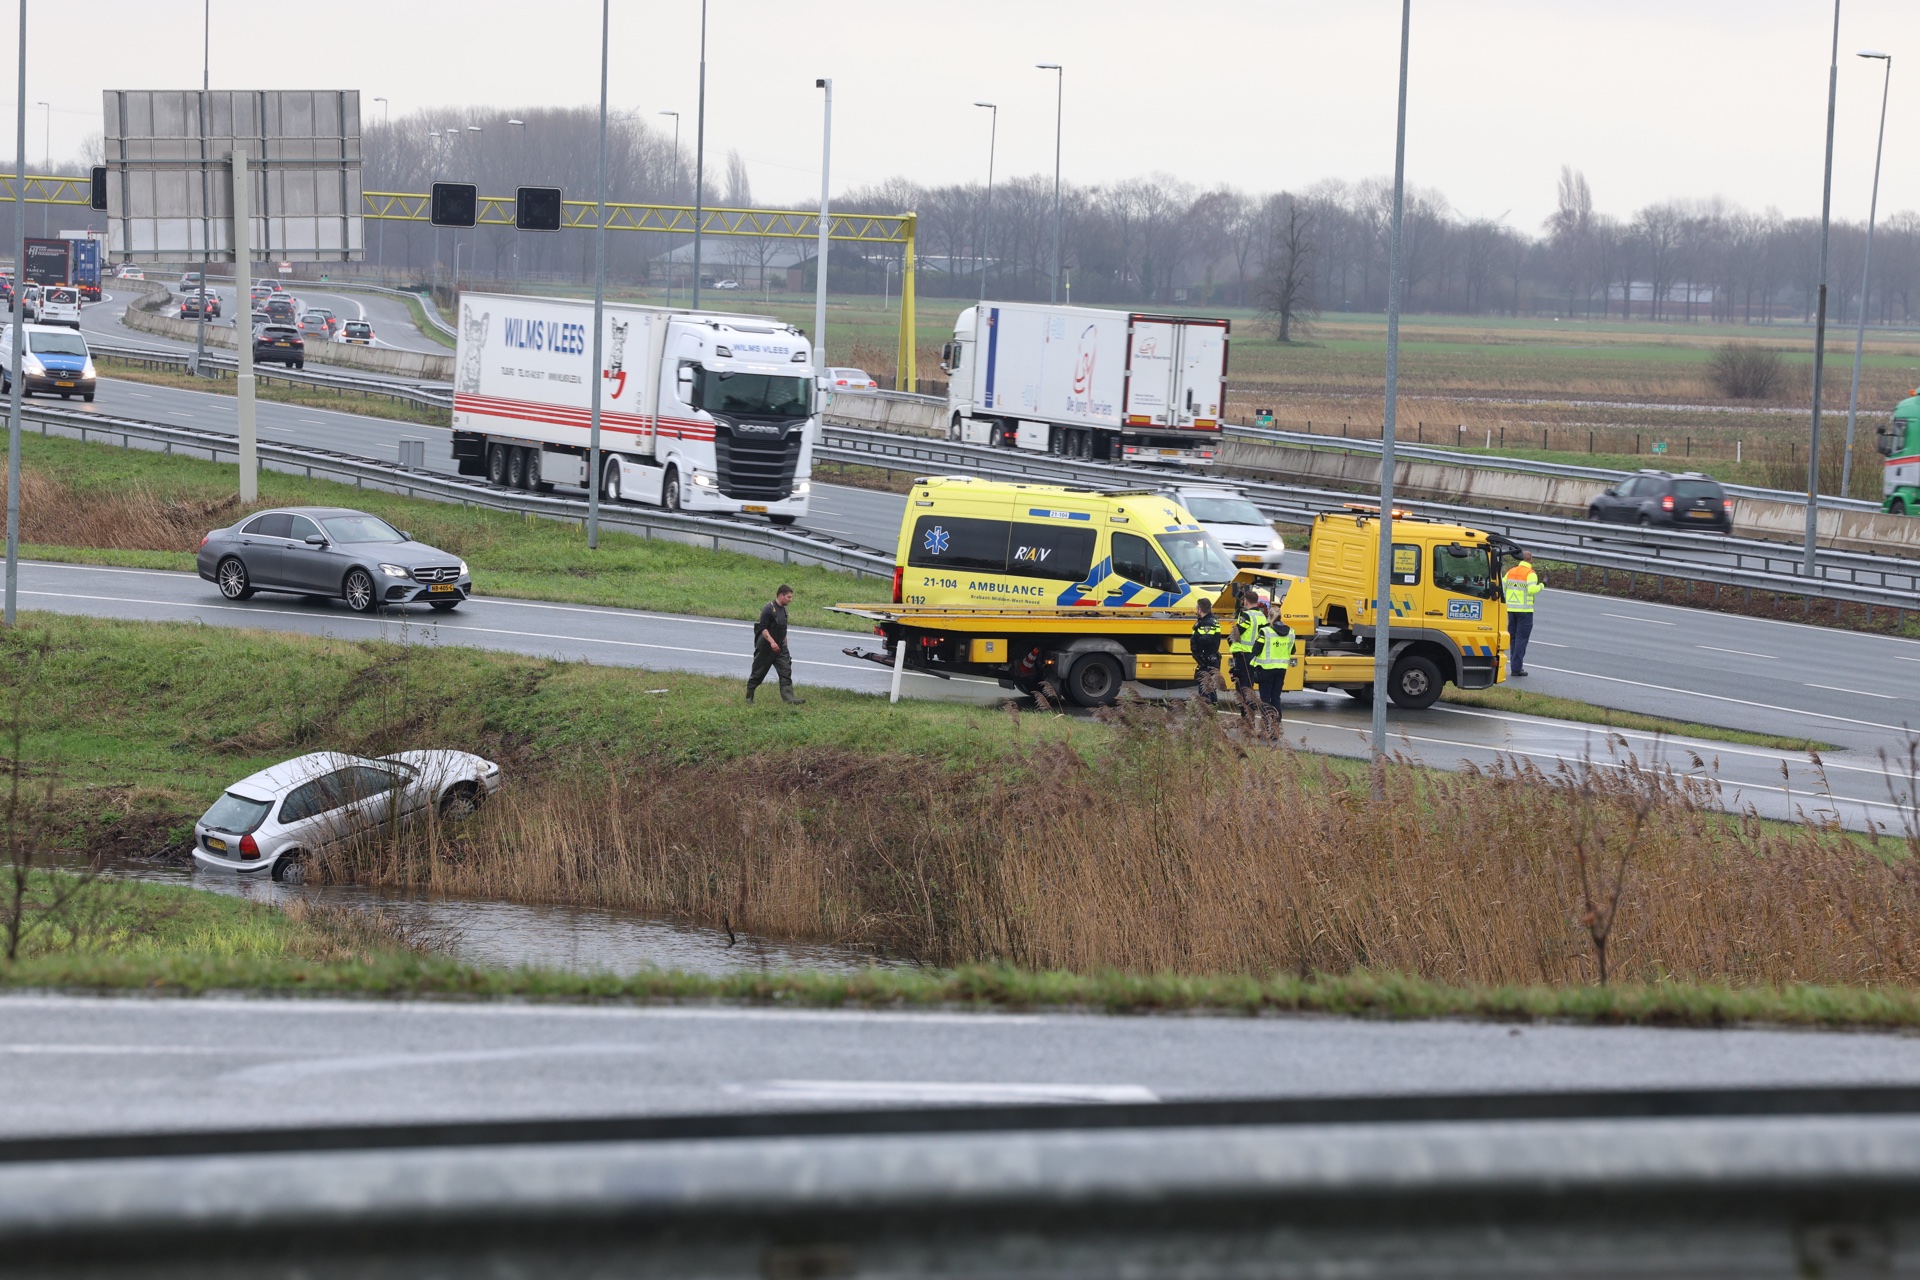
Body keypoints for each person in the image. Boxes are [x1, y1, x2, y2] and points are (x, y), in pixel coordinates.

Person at [747, 584, 804, 704]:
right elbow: (763, 628)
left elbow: (783, 628)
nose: (790, 599)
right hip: (766, 648)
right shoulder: (768, 608)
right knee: (758, 673)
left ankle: (789, 699)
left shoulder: (784, 610)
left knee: (786, 671)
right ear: (781, 595)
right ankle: (749, 698)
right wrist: (772, 643)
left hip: (780, 648)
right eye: (788, 597)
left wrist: (784, 644)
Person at [1248, 601, 1296, 739]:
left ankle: (1265, 729)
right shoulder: (1291, 632)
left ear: (1269, 616)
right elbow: (1293, 650)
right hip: (1281, 670)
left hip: (1266, 670)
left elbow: (1255, 650)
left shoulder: (1265, 631)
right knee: (1276, 698)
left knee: (1265, 700)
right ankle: (1276, 729)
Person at [1227, 585, 1267, 719]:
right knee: (1249, 686)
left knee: (1242, 687)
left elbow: (1237, 633)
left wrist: (1230, 641)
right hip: (1255, 656)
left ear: (1246, 602)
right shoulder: (1262, 616)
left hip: (1243, 655)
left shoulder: (1247, 616)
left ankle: (1246, 717)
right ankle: (1250, 715)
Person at [1503, 548, 1542, 677]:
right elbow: (1531, 590)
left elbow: (1503, 587)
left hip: (1511, 609)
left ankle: (1515, 666)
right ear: (1531, 560)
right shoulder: (1530, 573)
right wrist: (1543, 585)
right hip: (1525, 610)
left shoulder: (1511, 571)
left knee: (1513, 638)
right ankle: (1516, 668)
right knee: (1521, 639)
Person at [1190, 597, 1224, 705]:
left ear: (1200, 609)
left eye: (1197, 608)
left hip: (1208, 660)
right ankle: (1210, 713)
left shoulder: (1208, 622)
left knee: (1207, 690)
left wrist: (1194, 638)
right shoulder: (1206, 621)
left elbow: (1206, 640)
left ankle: (1209, 714)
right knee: (1207, 688)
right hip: (1208, 659)